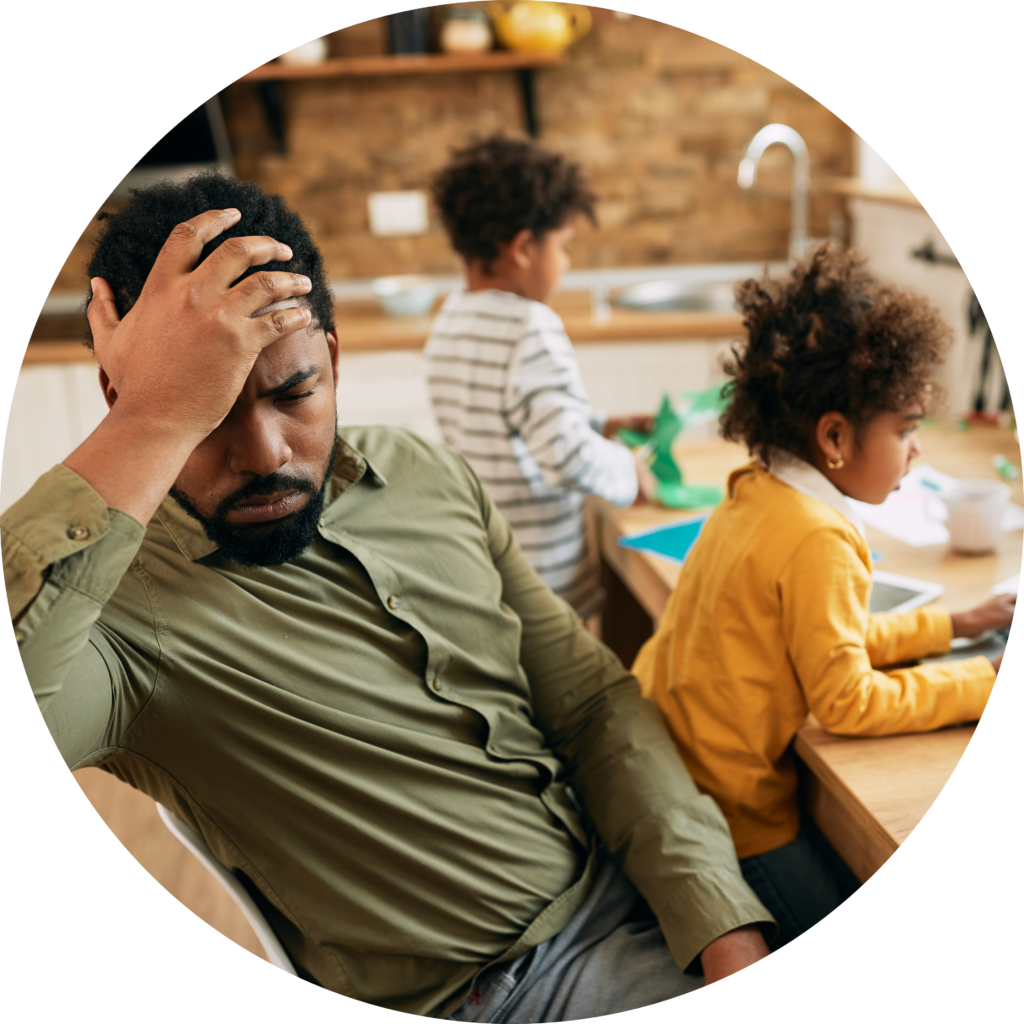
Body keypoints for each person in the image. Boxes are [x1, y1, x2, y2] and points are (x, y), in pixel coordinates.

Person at [4, 172, 775, 1018]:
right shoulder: (115, 614)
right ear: (126, 397)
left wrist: (723, 925)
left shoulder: (420, 472)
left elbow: (590, 704)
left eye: (294, 394)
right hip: (517, 991)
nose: (265, 453)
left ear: (333, 362)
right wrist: (148, 423)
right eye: (207, 412)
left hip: (636, 875)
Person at [630, 244, 1015, 952]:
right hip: (731, 815)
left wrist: (953, 625)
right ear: (835, 436)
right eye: (906, 429)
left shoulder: (758, 490)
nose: (917, 450)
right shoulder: (817, 537)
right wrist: (982, 683)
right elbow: (848, 702)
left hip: (668, 771)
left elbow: (820, 637)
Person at [425, 135, 654, 618]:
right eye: (564, 247)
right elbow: (565, 453)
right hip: (546, 585)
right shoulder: (531, 326)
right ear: (524, 248)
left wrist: (598, 424)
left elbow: (505, 424)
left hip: (487, 571)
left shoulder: (450, 319)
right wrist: (628, 473)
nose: (566, 265)